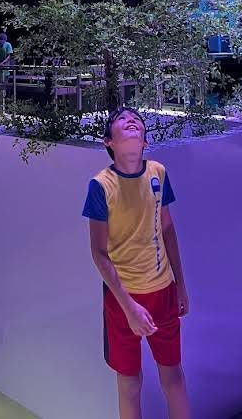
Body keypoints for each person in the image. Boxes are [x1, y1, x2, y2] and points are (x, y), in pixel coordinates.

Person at [82, 108, 191, 419]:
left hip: (164, 292)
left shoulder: (158, 172)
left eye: (136, 119)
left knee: (173, 377)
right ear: (109, 142)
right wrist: (129, 307)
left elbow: (168, 229)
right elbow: (98, 253)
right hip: (122, 300)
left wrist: (181, 286)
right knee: (129, 383)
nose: (130, 120)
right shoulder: (101, 185)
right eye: (121, 119)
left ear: (144, 141)